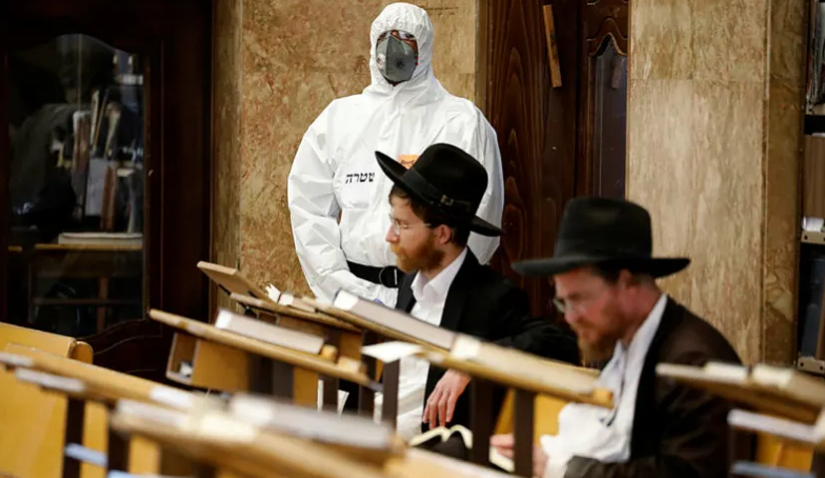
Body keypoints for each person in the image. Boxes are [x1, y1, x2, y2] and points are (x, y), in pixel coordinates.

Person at [491, 197, 741, 478]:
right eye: (563, 303)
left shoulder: (692, 363)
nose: (570, 317)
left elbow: (685, 475)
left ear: (626, 282)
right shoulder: (620, 338)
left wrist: (559, 469)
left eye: (579, 300)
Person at [287, 2, 504, 309]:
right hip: (351, 295)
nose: (393, 48)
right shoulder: (339, 120)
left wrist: (436, 293)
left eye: (406, 37)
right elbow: (307, 208)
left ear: (425, 47)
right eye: (386, 36)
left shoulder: (461, 121)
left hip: (431, 301)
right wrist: (337, 285)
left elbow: (481, 214)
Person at [375, 142, 579, 440]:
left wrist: (473, 361)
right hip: (369, 430)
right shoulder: (409, 283)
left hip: (425, 454)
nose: (389, 236)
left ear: (442, 233)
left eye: (401, 225)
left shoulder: (492, 296)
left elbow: (561, 344)